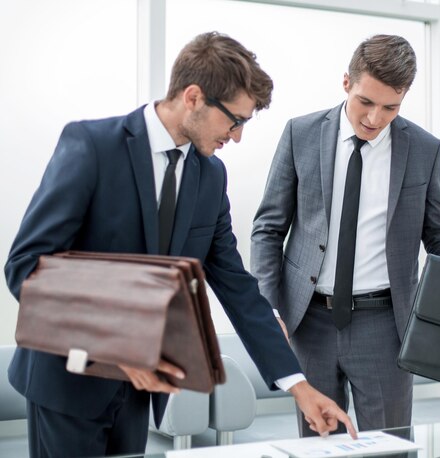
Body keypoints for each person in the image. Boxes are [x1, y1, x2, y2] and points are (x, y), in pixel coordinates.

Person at [5, 31, 355, 458]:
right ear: (193, 97)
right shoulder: (92, 146)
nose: (238, 136)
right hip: (67, 383)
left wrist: (298, 386)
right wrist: (111, 347)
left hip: (138, 395)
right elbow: (26, 266)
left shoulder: (209, 177)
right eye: (235, 120)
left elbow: (237, 287)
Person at [250, 34, 440, 436]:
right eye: (365, 102)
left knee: (389, 445)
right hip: (309, 322)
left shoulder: (424, 150)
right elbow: (268, 229)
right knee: (319, 445)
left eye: (390, 107)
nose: (374, 118)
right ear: (346, 83)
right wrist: (269, 308)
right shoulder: (299, 135)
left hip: (384, 327)